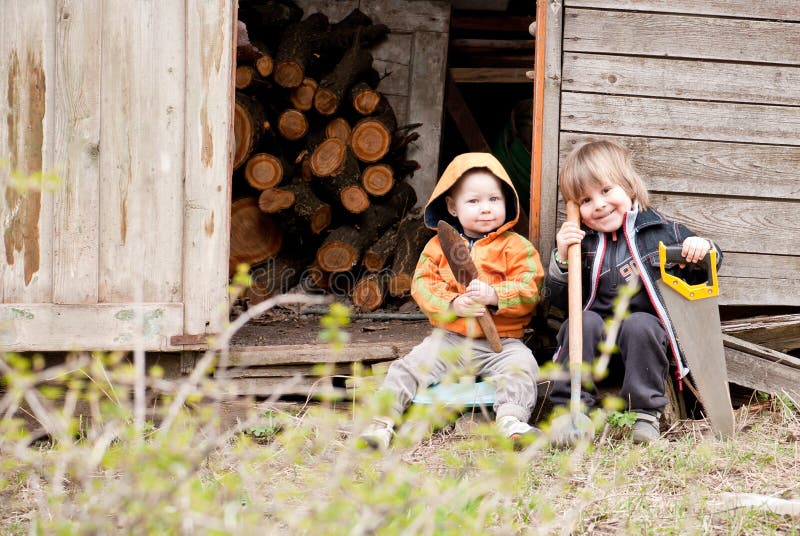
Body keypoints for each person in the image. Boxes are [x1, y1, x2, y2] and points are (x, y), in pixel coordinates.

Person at [360, 152, 545, 449]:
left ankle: (511, 421)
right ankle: (381, 423)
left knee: (522, 366)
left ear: (508, 202)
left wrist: (496, 295)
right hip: (451, 339)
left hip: (502, 342)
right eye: (473, 201)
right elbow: (423, 285)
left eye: (494, 200)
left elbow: (530, 287)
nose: (485, 209)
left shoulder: (516, 246)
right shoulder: (439, 246)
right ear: (452, 207)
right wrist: (452, 304)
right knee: (408, 367)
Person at [545, 140, 722, 444]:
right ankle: (571, 412)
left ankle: (644, 416)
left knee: (641, 323)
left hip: (645, 345)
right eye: (585, 200)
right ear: (575, 209)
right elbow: (557, 306)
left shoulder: (662, 231)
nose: (598, 204)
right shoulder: (581, 244)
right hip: (595, 345)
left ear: (629, 186)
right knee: (581, 322)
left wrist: (704, 249)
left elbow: (705, 268)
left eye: (605, 190)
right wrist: (562, 259)